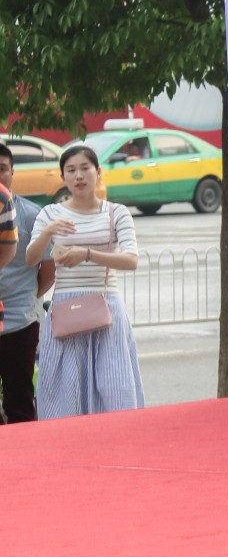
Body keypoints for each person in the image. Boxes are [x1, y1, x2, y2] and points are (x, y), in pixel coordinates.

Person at [25, 143, 144, 418]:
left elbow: (131, 260)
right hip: (66, 307)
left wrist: (88, 254)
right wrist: (48, 233)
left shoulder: (116, 212)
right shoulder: (49, 214)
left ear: (98, 172)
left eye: (84, 168)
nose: (78, 176)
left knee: (114, 389)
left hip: (107, 306)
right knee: (65, 394)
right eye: (71, 170)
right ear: (62, 177)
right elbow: (31, 259)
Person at [0, 142, 55, 422]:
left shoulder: (32, 215)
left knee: (19, 401)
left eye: (2, 169)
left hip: (19, 322)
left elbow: (49, 268)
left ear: (13, 172)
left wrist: (30, 297)